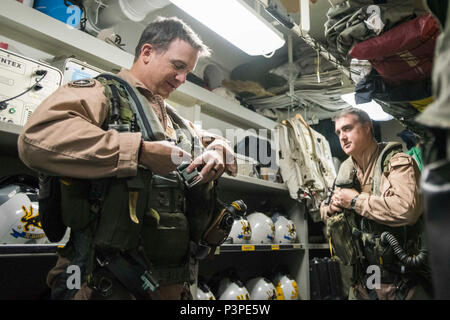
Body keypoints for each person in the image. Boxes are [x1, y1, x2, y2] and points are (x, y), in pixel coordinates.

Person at [17, 16, 237, 300]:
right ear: (147, 53)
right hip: (103, 283)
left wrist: (218, 147)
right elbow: (36, 139)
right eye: (178, 66)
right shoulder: (100, 93)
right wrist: (139, 152)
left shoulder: (171, 117)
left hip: (168, 283)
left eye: (188, 72)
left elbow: (208, 141)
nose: (183, 79)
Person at [320, 107, 432, 300]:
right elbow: (324, 208)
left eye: (347, 128)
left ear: (367, 128)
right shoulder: (345, 173)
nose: (342, 137)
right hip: (365, 284)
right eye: (338, 132)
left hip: (405, 283)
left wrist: (355, 201)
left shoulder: (397, 163)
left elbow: (407, 210)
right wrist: (329, 208)